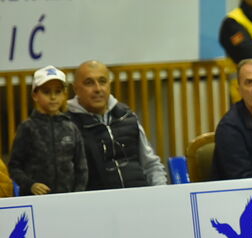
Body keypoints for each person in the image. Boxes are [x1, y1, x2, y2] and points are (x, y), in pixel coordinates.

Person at [68, 61, 169, 190]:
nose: (98, 89)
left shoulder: (127, 117)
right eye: (89, 83)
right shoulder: (68, 125)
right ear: (76, 88)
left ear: (109, 85)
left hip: (139, 198)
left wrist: (160, 193)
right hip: (96, 204)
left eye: (102, 81)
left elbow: (151, 166)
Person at [8, 66, 88, 196]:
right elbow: (14, 167)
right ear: (35, 94)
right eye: (46, 92)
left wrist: (78, 194)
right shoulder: (27, 127)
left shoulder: (71, 127)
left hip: (68, 199)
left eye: (58, 91)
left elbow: (82, 167)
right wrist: (30, 185)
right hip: (35, 200)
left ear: (64, 95)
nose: (53, 97)